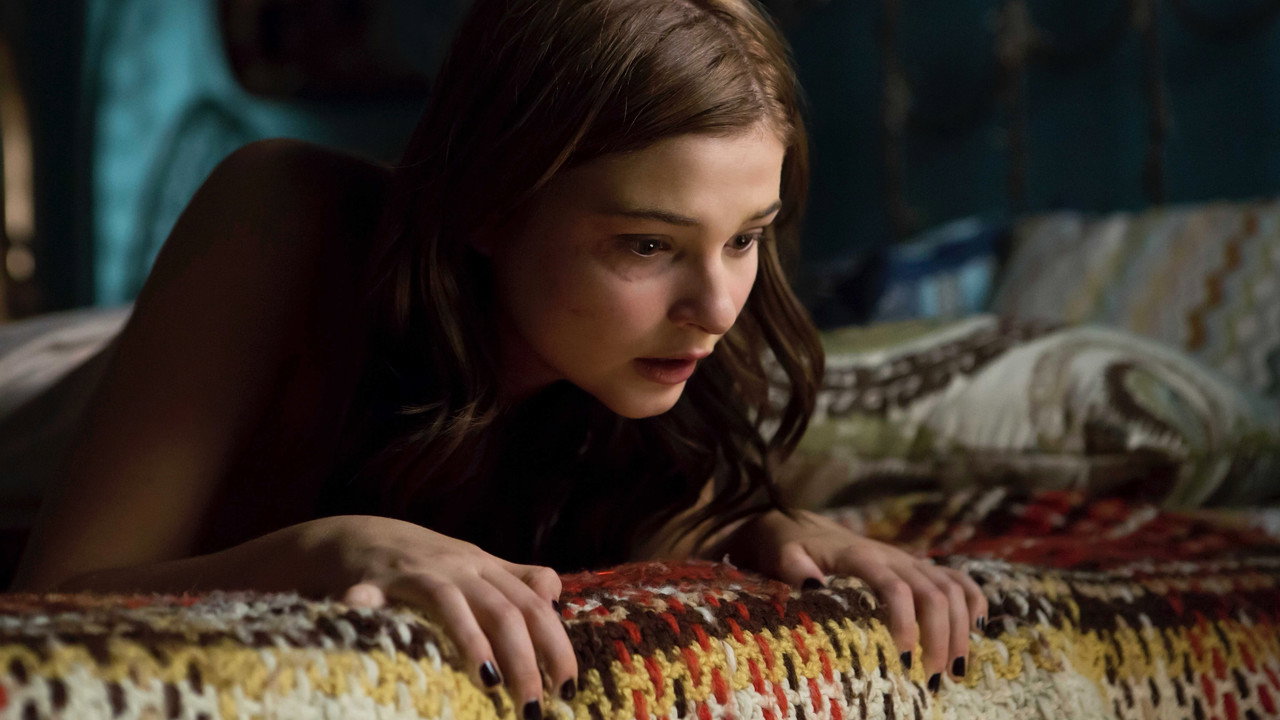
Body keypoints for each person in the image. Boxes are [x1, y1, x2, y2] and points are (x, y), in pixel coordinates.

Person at [11, 0, 986, 714]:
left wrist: (766, 531)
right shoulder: (282, 218)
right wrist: (327, 549)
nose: (720, 306)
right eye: (647, 244)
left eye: (744, 237)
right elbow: (55, 601)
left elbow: (643, 506)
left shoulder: (647, 351)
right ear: (488, 205)